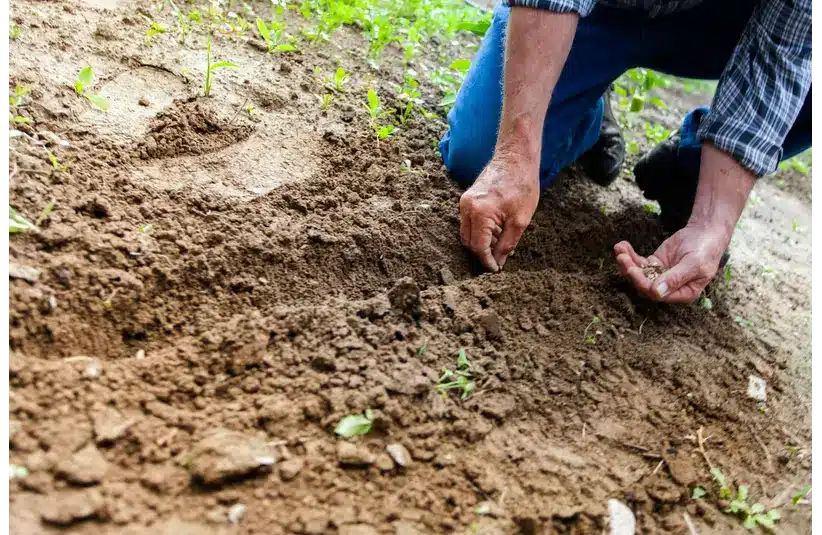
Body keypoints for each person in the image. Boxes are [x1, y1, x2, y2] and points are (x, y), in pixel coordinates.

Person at [439, 0, 813, 304]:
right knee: (480, 156)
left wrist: (711, 225)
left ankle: (693, 170)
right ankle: (586, 107)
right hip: (598, 11)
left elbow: (781, 53)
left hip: (718, 24)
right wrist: (514, 154)